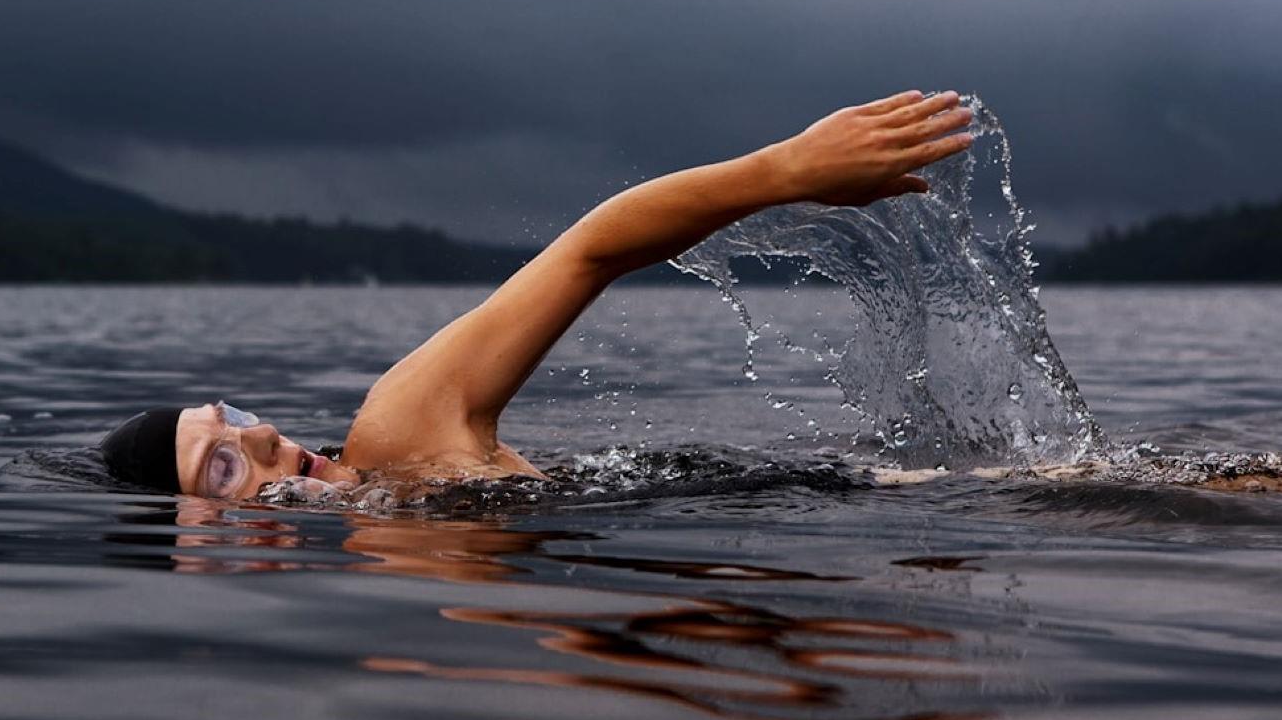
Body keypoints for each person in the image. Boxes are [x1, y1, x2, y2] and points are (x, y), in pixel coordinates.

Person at [98, 91, 976, 500]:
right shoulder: (391, 580)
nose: (261, 435)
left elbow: (589, 251)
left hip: (919, 499)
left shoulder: (398, 435)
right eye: (222, 465)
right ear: (197, 545)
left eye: (234, 416)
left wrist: (783, 172)